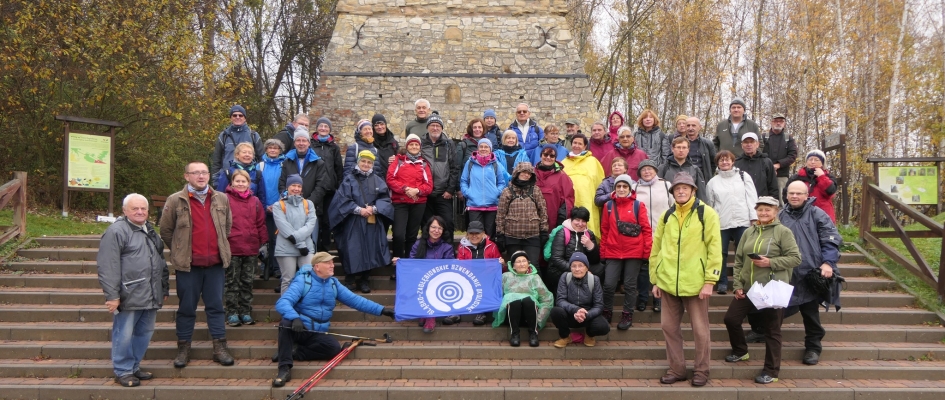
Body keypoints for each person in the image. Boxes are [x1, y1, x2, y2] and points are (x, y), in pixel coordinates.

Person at [271, 252, 395, 388]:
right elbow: (283, 302)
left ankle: (293, 352)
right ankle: (284, 369)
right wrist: (295, 317)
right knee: (285, 323)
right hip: (299, 328)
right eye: (328, 263)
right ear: (317, 266)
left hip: (317, 332)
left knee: (334, 349)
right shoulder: (303, 281)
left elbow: (356, 301)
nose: (332, 265)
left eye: (332, 262)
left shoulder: (333, 284)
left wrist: (383, 310)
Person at [649, 172, 722, 387]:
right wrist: (655, 279)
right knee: (668, 327)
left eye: (685, 188)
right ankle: (677, 369)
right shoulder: (666, 215)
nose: (681, 191)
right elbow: (657, 248)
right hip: (668, 282)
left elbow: (715, 248)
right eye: (677, 188)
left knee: (700, 330)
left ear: (693, 190)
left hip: (696, 283)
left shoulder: (706, 214)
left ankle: (701, 370)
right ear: (672, 192)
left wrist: (710, 281)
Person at [159, 162, 234, 368]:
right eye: (196, 173)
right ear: (186, 176)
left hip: (215, 266)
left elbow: (227, 227)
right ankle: (183, 348)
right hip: (188, 267)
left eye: (204, 172)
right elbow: (166, 231)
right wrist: (180, 249)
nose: (201, 176)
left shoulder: (222, 198)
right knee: (186, 308)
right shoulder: (175, 200)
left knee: (216, 307)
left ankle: (220, 347)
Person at [723, 196, 801, 384]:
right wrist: (738, 285)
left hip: (772, 289)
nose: (764, 213)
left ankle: (771, 371)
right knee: (731, 319)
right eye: (760, 209)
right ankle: (741, 351)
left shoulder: (783, 232)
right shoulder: (749, 232)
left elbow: (795, 258)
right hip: (750, 288)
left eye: (768, 209)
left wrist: (771, 262)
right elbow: (740, 260)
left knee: (772, 331)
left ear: (776, 211)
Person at [98, 194, 169, 387]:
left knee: (144, 332)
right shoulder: (116, 231)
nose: (140, 212)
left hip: (151, 293)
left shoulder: (150, 230)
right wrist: (112, 296)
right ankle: (123, 370)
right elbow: (108, 266)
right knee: (124, 334)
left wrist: (164, 287)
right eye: (135, 209)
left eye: (143, 209)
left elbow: (160, 261)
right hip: (128, 293)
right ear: (125, 211)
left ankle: (134, 366)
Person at [780, 180, 842, 366]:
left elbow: (830, 239)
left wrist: (828, 263)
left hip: (810, 272)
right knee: (774, 308)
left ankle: (813, 347)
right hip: (785, 272)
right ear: (786, 195)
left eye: (799, 193)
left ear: (807, 195)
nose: (795, 196)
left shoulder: (817, 214)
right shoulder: (780, 215)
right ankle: (762, 331)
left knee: (810, 312)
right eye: (792, 193)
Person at [329, 150, 395, 294]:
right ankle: (350, 279)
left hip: (372, 221)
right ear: (358, 162)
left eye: (369, 162)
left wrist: (374, 209)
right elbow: (341, 199)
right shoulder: (349, 179)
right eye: (363, 161)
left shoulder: (378, 180)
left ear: (372, 164)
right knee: (351, 249)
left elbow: (385, 199)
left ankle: (365, 280)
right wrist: (359, 210)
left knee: (370, 249)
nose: (366, 164)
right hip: (352, 221)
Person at [600, 174, 652, 329]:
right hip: (613, 250)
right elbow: (605, 230)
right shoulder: (608, 206)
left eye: (625, 186)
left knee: (629, 285)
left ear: (630, 188)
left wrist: (646, 252)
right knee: (609, 285)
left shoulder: (638, 205)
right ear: (614, 188)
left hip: (634, 251)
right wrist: (603, 252)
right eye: (618, 186)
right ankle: (607, 312)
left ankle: (627, 314)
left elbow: (646, 230)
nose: (621, 189)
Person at [707, 150, 758, 294]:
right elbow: (710, 205)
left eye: (727, 159)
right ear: (717, 163)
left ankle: (741, 282)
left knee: (743, 252)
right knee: (720, 253)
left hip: (743, 221)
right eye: (721, 160)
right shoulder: (713, 182)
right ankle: (722, 282)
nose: (725, 162)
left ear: (732, 161)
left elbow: (752, 197)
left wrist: (754, 218)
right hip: (721, 223)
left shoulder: (743, 177)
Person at [223, 170, 267, 327]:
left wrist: (264, 243)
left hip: (251, 248)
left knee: (247, 282)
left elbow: (260, 223)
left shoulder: (255, 201)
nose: (240, 184)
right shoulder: (224, 199)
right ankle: (232, 312)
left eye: (244, 181)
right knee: (232, 283)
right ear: (232, 183)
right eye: (238, 181)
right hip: (232, 247)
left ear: (249, 183)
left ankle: (245, 311)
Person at [279, 128, 331, 250]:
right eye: (298, 140)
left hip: (311, 209)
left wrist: (308, 203)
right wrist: (287, 198)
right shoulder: (287, 161)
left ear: (308, 143)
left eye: (304, 140)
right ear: (294, 143)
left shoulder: (319, 163)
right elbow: (282, 183)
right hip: (289, 209)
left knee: (309, 244)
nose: (301, 143)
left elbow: (321, 186)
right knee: (290, 243)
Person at [404, 216, 456, 333]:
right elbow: (412, 263)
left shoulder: (447, 247)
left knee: (433, 284)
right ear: (428, 228)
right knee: (418, 276)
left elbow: (449, 266)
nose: (436, 231)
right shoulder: (418, 244)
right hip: (421, 279)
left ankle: (430, 316)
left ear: (443, 231)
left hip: (440, 280)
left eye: (440, 228)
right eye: (433, 227)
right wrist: (401, 262)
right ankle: (425, 312)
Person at [633, 159, 672, 313]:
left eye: (650, 169)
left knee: (660, 266)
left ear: (655, 171)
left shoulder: (666, 185)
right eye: (644, 169)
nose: (647, 172)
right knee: (643, 269)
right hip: (641, 234)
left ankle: (658, 299)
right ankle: (642, 298)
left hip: (662, 232)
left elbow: (674, 207)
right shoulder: (634, 187)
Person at [387, 134, 434, 263]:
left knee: (412, 236)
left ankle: (408, 263)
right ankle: (397, 262)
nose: (414, 147)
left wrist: (417, 191)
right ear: (407, 146)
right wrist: (405, 189)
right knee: (398, 234)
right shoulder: (398, 160)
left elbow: (429, 185)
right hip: (400, 203)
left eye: (416, 144)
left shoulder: (424, 164)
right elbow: (390, 179)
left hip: (418, 203)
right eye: (411, 144)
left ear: (420, 147)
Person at [494, 251, 553, 347]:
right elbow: (496, 295)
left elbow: (546, 299)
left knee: (528, 300)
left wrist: (540, 319)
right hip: (510, 316)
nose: (521, 264)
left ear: (528, 263)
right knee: (514, 300)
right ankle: (515, 334)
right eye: (518, 262)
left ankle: (533, 333)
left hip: (531, 317)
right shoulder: (505, 276)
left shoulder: (535, 277)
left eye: (524, 261)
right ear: (513, 266)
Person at [551, 252, 610, 348]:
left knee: (603, 327)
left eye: (580, 266)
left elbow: (599, 305)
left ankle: (589, 334)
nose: (577, 269)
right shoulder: (565, 277)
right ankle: (565, 336)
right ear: (570, 267)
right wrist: (576, 310)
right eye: (574, 266)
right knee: (556, 311)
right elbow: (560, 300)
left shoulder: (594, 280)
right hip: (571, 314)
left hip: (588, 315)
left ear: (586, 267)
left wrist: (586, 314)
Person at [495, 162, 549, 264]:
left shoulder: (536, 191)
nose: (526, 175)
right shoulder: (507, 191)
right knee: (516, 265)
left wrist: (544, 231)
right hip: (512, 237)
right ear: (517, 173)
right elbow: (500, 215)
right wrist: (500, 234)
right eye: (523, 172)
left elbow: (543, 211)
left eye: (529, 173)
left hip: (533, 236)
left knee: (533, 265)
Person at [273, 174, 318, 293]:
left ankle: (304, 308)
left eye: (299, 186)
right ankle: (286, 309)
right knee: (288, 280)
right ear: (287, 187)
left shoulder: (308, 204)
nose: (296, 188)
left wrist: (302, 244)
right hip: (285, 248)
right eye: (293, 185)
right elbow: (284, 227)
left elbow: (310, 224)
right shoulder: (279, 205)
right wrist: (301, 245)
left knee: (307, 278)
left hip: (306, 249)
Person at [420, 113, 460, 245]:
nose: (435, 128)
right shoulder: (420, 143)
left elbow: (455, 168)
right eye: (432, 125)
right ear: (428, 127)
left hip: (444, 193)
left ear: (442, 128)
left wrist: (450, 189)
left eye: (438, 126)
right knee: (427, 225)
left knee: (447, 223)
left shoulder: (448, 144)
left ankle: (448, 252)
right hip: (425, 193)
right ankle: (427, 253)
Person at [457, 221, 505, 325]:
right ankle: (456, 312)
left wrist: (501, 263)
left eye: (477, 233)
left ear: (483, 233)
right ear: (467, 234)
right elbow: (460, 265)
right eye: (471, 233)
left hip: (486, 279)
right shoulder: (462, 247)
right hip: (468, 278)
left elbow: (498, 267)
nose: (474, 236)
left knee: (488, 283)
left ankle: (481, 312)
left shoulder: (492, 246)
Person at [310, 117, 345, 252]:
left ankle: (325, 249)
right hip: (314, 188)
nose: (323, 128)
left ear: (329, 129)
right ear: (317, 128)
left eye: (326, 126)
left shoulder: (334, 147)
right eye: (321, 126)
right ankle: (314, 249)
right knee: (314, 219)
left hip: (330, 189)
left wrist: (339, 185)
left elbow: (338, 168)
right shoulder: (311, 145)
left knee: (326, 221)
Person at [460, 138, 507, 239]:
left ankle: (490, 254)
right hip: (474, 205)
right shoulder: (470, 163)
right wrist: (468, 193)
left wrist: (496, 193)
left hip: (492, 205)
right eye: (481, 146)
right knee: (475, 234)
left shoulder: (496, 164)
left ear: (490, 149)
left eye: (486, 147)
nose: (483, 149)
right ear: (477, 148)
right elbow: (464, 181)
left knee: (490, 235)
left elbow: (501, 182)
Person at [547, 207, 601, 292]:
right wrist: (576, 269)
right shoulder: (562, 232)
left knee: (600, 268)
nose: (580, 224)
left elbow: (595, 260)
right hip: (561, 269)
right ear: (571, 219)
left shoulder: (589, 234)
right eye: (577, 220)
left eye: (583, 221)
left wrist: (591, 246)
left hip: (582, 267)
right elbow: (556, 258)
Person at [562, 133, 605, 234]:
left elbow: (600, 183)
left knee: (588, 229)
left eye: (580, 144)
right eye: (574, 143)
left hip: (588, 201)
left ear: (585, 146)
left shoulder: (593, 162)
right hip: (569, 202)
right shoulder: (564, 162)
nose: (576, 145)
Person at [211, 105, 263, 182]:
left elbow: (261, 158)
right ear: (231, 118)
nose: (237, 117)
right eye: (234, 115)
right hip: (227, 178)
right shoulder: (224, 136)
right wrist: (216, 180)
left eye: (240, 115)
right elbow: (216, 160)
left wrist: (259, 177)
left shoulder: (253, 135)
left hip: (249, 179)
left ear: (245, 118)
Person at [257, 139, 286, 279]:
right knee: (265, 239)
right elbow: (257, 188)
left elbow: (285, 185)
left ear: (280, 150)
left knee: (277, 239)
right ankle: (265, 268)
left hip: (279, 207)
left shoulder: (284, 165)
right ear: (266, 150)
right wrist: (264, 206)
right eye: (270, 148)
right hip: (263, 207)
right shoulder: (260, 166)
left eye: (276, 148)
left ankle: (276, 267)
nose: (273, 150)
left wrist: (277, 204)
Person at [785, 150, 838, 222]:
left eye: (816, 160)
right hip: (800, 215)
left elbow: (830, 191)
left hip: (823, 215)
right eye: (810, 159)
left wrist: (821, 177)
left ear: (822, 163)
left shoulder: (829, 177)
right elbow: (786, 194)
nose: (813, 162)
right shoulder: (797, 177)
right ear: (806, 162)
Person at [534, 144, 575, 231]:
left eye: (552, 155)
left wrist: (562, 218)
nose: (548, 157)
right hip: (532, 220)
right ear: (541, 155)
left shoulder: (562, 176)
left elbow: (568, 199)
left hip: (553, 220)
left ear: (555, 158)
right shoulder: (532, 173)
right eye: (545, 155)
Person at [658, 137, 708, 202]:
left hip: (690, 207)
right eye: (678, 147)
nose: (681, 150)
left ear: (688, 150)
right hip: (670, 207)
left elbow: (701, 193)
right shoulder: (663, 168)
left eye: (684, 147)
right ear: (672, 149)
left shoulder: (695, 169)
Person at [761, 113, 798, 197]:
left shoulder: (788, 138)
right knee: (763, 199)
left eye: (781, 121)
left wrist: (778, 165)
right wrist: (769, 166)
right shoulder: (763, 137)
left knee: (781, 199)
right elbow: (758, 154)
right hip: (764, 174)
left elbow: (792, 155)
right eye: (776, 121)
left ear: (784, 123)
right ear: (771, 122)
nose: (778, 123)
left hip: (781, 175)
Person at [735, 132, 779, 198]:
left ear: (757, 144)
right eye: (746, 142)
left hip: (762, 202)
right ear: (742, 145)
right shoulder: (736, 163)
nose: (749, 145)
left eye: (752, 142)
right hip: (742, 202)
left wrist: (773, 204)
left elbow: (773, 186)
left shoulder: (766, 162)